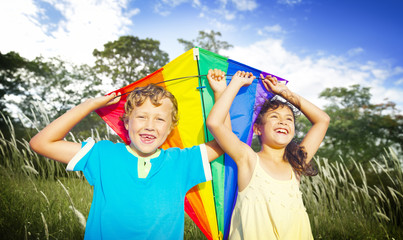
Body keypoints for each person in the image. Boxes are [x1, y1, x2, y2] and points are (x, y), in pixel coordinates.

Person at [29, 69, 233, 240]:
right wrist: (91, 104)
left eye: (160, 120)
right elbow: (41, 143)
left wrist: (220, 92)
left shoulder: (182, 161)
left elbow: (225, 142)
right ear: (127, 122)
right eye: (141, 117)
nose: (150, 126)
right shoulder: (103, 154)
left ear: (171, 128)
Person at [206, 70, 330, 240]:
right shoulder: (247, 158)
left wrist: (284, 92)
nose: (283, 122)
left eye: (289, 119)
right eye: (274, 116)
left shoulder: (296, 164)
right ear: (258, 128)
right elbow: (215, 123)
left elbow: (322, 120)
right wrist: (232, 86)